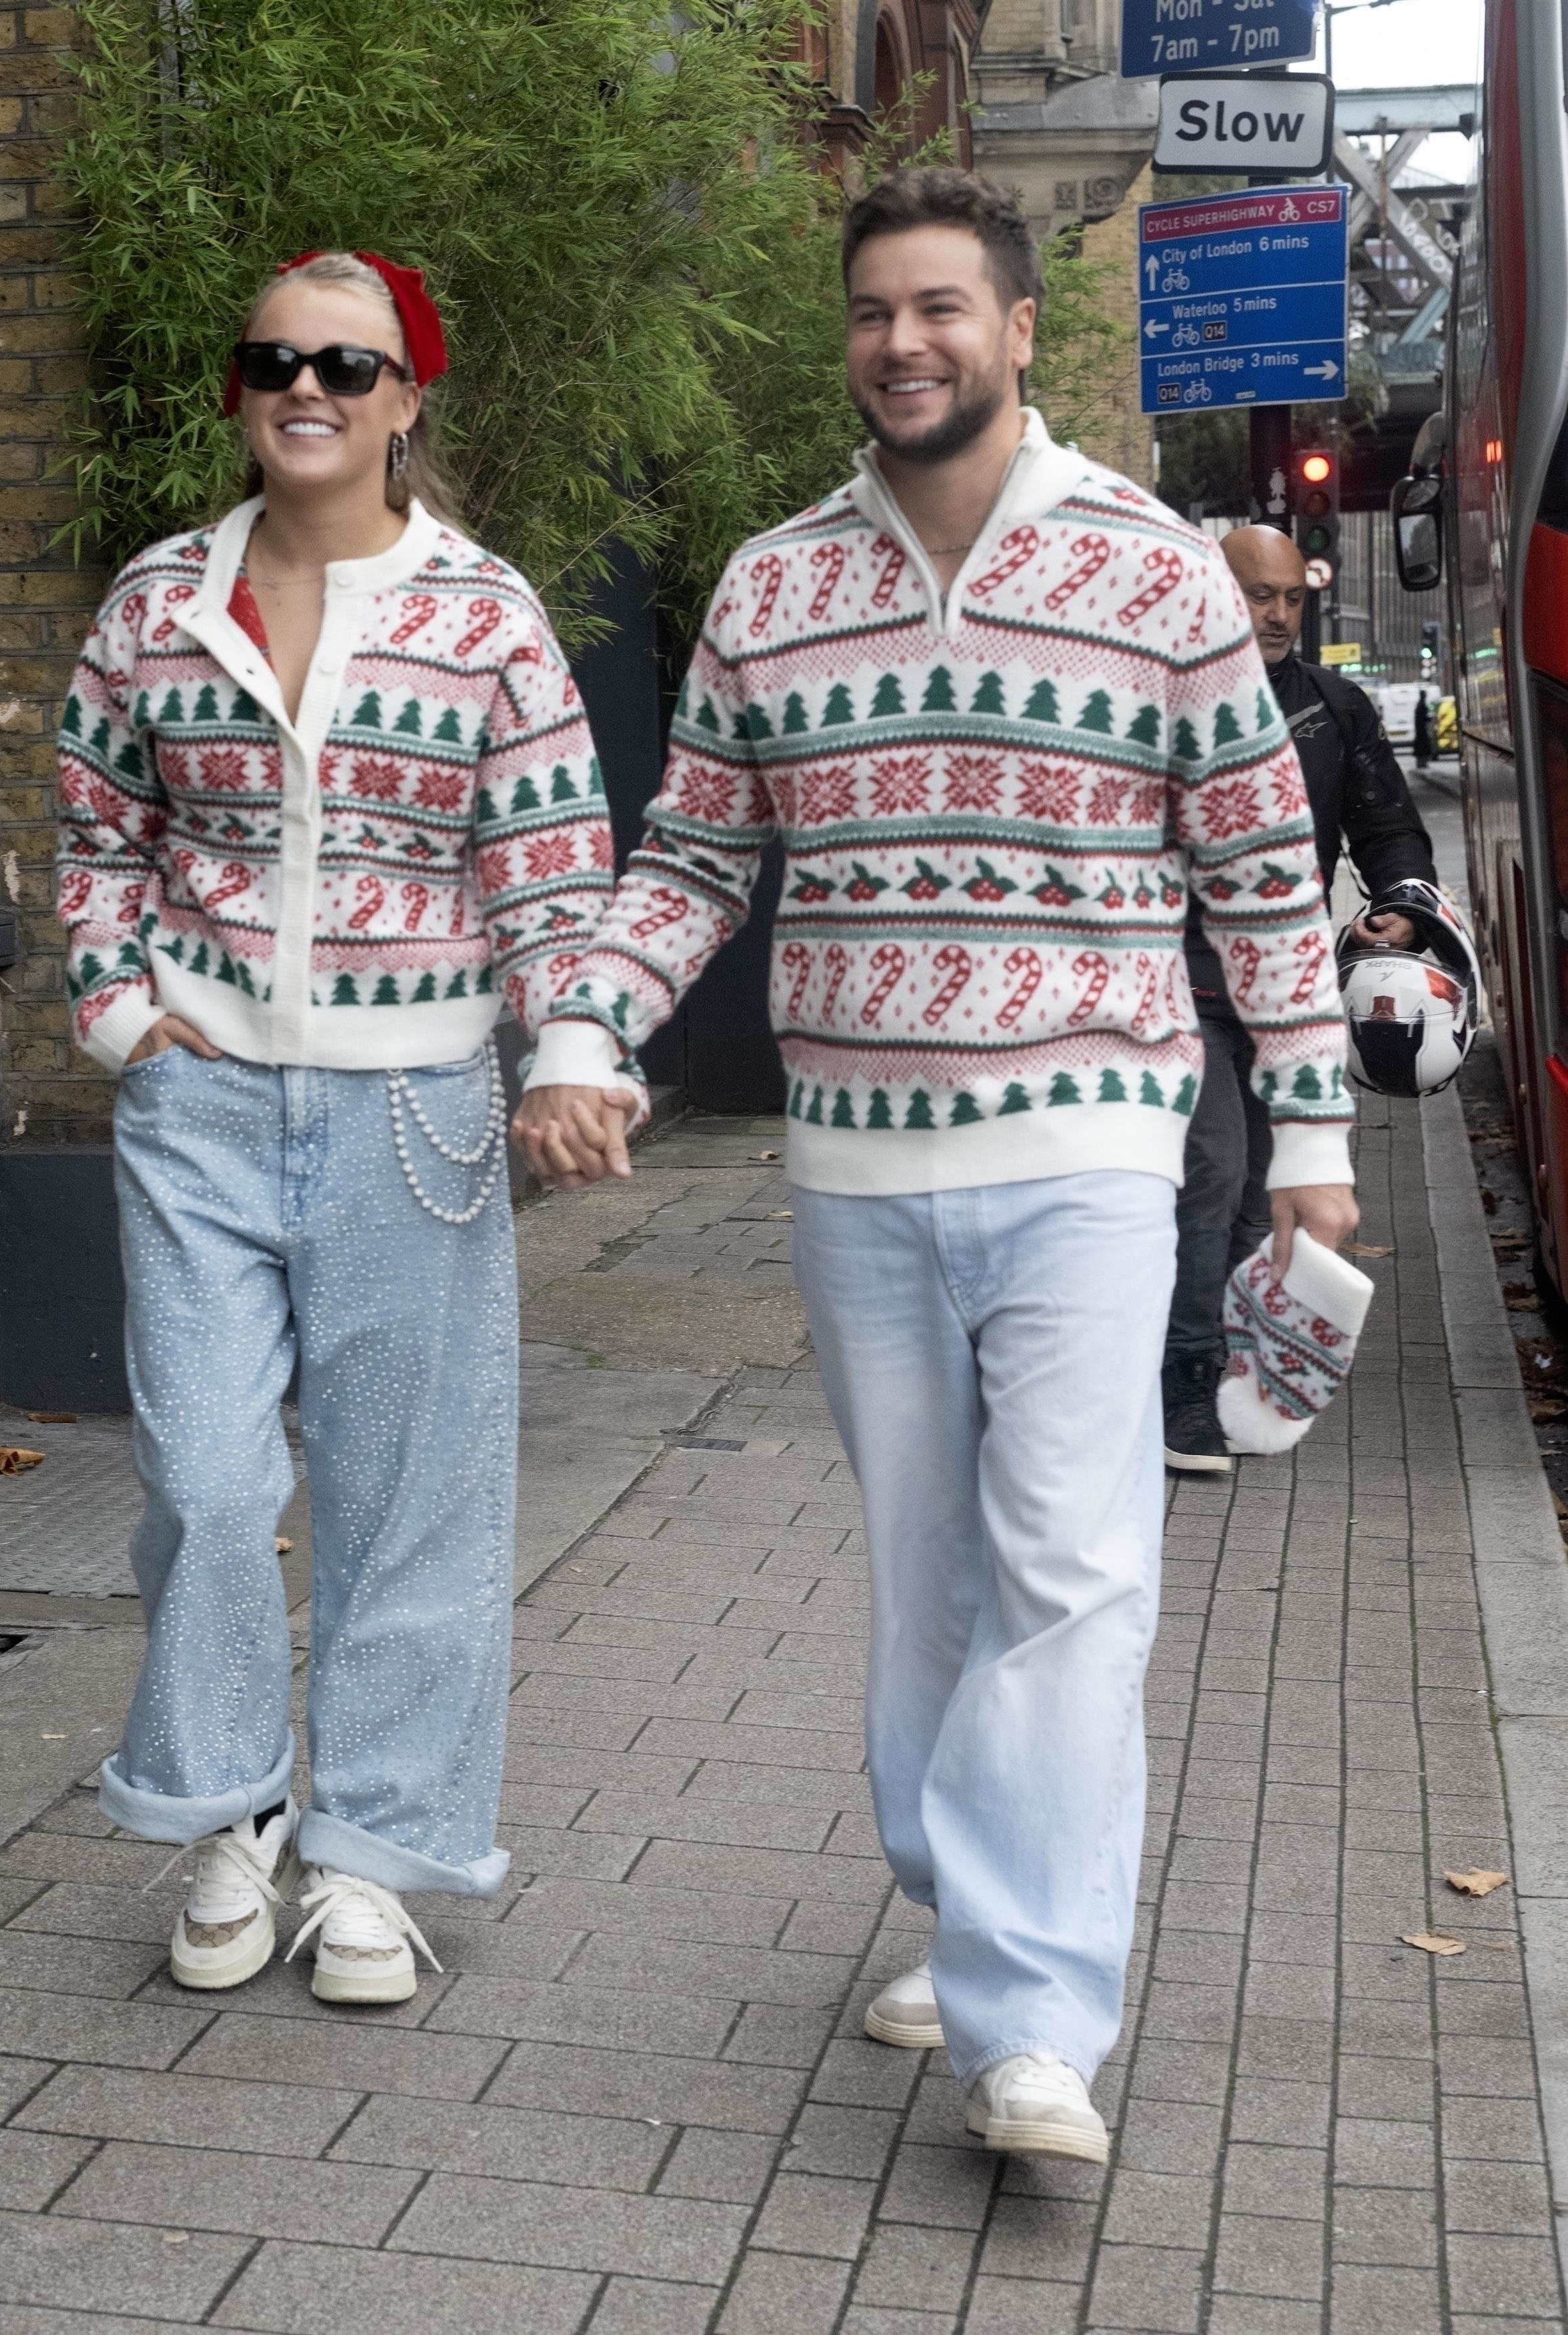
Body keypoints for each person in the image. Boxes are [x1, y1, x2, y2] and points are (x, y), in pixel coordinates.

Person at [513, 167, 1358, 2166]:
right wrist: (580, 1025)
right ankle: (959, 1884)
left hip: (1089, 1140)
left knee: (1072, 1574)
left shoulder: (1151, 571)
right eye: (873, 312)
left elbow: (1254, 878)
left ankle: (1030, 2022)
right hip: (856, 1160)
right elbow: (696, 852)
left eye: (941, 309)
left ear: (1012, 331)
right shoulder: (769, 583)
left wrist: (1307, 1141)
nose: (904, 343)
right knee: (928, 1578)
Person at [57, 250, 630, 2003]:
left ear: (406, 399)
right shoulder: (159, 600)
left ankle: (372, 1854)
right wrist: (119, 1007)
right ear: (239, 391)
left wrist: (574, 1050)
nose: (307, 387)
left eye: (348, 366)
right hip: (200, 1100)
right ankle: (231, 1806)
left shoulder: (485, 610)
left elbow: (548, 862)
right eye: (274, 359)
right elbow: (99, 822)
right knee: (209, 1481)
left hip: (414, 1109)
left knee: (409, 1503)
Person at [1160, 524, 1436, 1472]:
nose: (1277, 614)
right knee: (1209, 1175)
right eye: (1257, 595)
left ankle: (1237, 1364)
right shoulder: (1155, 702)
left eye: (1289, 597)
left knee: (1253, 1195)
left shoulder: (1333, 707)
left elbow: (1389, 829)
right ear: (1212, 593)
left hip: (1281, 987)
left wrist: (1399, 910)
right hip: (1175, 983)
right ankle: (1181, 1387)